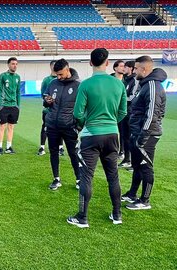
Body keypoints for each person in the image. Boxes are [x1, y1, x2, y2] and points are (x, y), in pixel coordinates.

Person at [67, 48, 127, 228]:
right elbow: (123, 111)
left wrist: (89, 123)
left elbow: (77, 112)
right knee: (113, 176)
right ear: (107, 63)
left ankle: (82, 217)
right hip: (112, 135)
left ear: (90, 62)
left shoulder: (85, 84)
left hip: (91, 136)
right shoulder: (118, 84)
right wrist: (110, 123)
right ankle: (117, 215)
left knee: (87, 176)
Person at [122, 56, 167, 210]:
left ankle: (145, 200)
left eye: (135, 68)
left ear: (144, 69)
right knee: (137, 165)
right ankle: (132, 194)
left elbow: (152, 114)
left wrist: (143, 136)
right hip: (138, 132)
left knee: (145, 166)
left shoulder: (153, 85)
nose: (134, 71)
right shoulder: (144, 85)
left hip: (147, 135)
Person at [43, 59, 81, 191]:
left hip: (69, 126)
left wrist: (78, 125)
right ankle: (56, 178)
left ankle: (78, 179)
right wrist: (47, 101)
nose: (58, 77)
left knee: (73, 153)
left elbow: (82, 107)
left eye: (60, 74)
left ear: (67, 69)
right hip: (53, 124)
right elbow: (46, 101)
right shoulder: (53, 83)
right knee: (53, 152)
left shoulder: (78, 85)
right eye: (56, 74)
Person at [38, 61, 65, 156]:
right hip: (48, 110)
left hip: (59, 110)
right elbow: (43, 94)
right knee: (45, 127)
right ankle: (42, 147)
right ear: (50, 67)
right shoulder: (47, 80)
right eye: (53, 66)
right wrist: (48, 100)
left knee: (60, 127)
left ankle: (60, 147)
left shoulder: (62, 79)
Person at [0, 57, 21, 154]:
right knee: (2, 126)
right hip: (4, 106)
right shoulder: (3, 76)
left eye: (16, 64)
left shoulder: (17, 77)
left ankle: (9, 147)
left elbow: (18, 92)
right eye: (13, 64)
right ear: (8, 65)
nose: (15, 66)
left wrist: (18, 105)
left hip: (14, 106)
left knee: (11, 127)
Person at [118, 60, 139, 169]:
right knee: (124, 137)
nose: (123, 69)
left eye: (125, 67)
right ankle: (127, 159)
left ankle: (133, 161)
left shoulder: (135, 81)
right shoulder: (126, 80)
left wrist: (120, 100)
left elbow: (132, 97)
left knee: (132, 138)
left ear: (130, 68)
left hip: (131, 114)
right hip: (124, 113)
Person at [112, 60, 126, 159]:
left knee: (123, 132)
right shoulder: (109, 80)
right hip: (111, 110)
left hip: (122, 111)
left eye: (124, 66)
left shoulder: (127, 81)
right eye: (121, 66)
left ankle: (122, 151)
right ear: (115, 68)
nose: (123, 68)